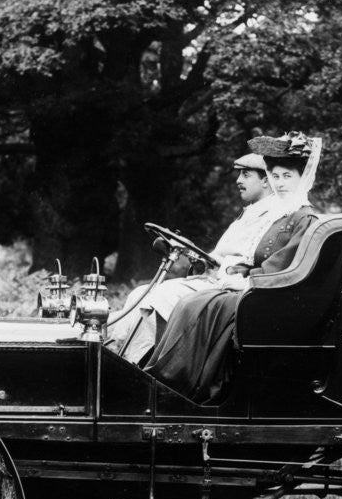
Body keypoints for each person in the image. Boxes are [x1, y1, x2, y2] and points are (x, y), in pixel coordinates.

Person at [144, 132, 322, 403]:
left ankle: (174, 382)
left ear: (303, 179)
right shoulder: (282, 215)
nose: (281, 183)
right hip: (258, 289)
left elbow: (288, 266)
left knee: (195, 303)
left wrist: (249, 281)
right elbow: (258, 257)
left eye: (288, 177)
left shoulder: (304, 217)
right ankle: (161, 376)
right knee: (190, 301)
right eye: (275, 177)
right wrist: (241, 273)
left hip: (271, 296)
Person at [108, 152, 303, 364]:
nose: (238, 181)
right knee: (140, 293)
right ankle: (122, 356)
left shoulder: (278, 215)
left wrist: (222, 269)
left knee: (159, 296)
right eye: (277, 176)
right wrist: (197, 255)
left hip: (234, 287)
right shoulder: (251, 213)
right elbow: (223, 255)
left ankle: (142, 364)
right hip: (218, 280)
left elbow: (251, 261)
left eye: (246, 175)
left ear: (265, 181)